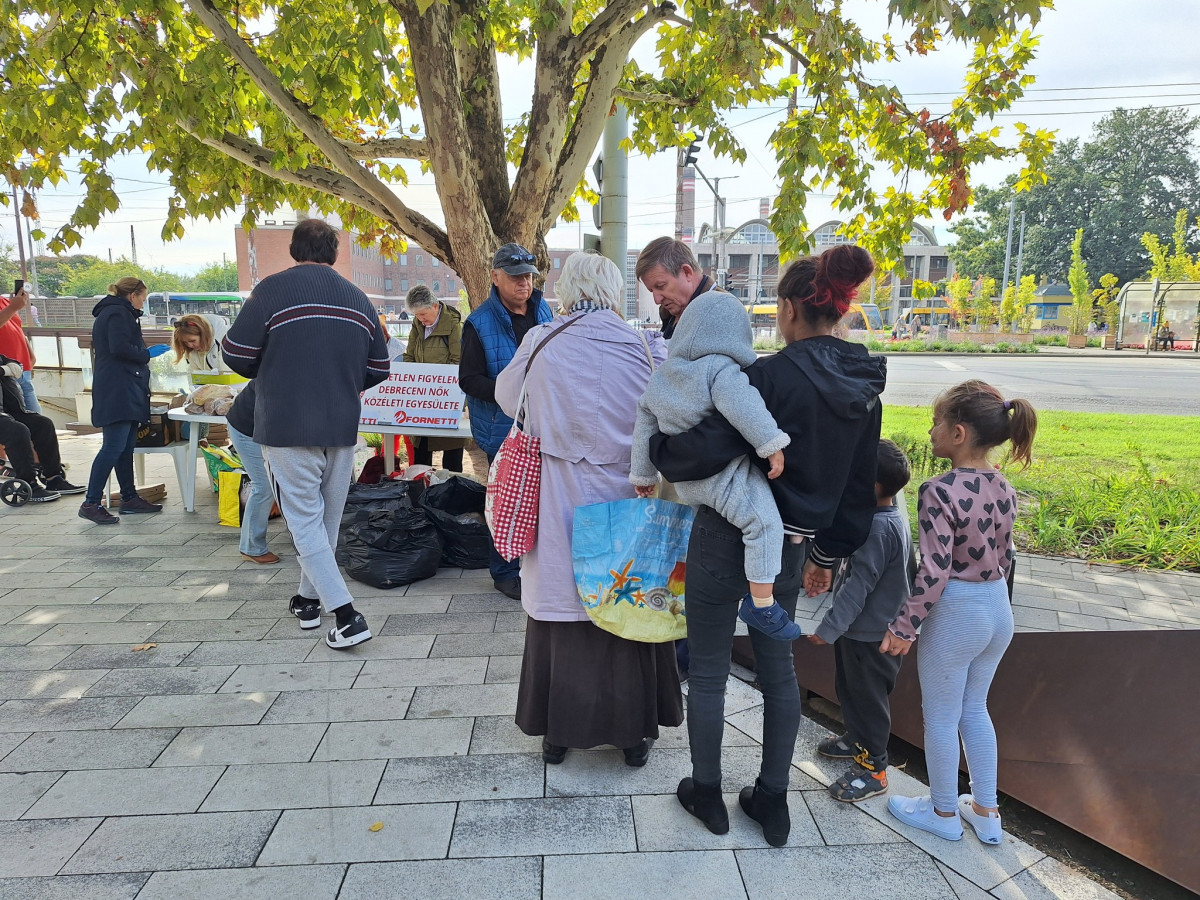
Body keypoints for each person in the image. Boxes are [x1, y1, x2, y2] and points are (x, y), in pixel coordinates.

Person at [648, 245, 885, 846]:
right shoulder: (865, 388)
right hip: (793, 549)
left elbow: (698, 452)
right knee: (780, 672)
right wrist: (827, 557)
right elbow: (859, 486)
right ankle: (772, 802)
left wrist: (656, 450)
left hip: (722, 535)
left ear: (787, 310)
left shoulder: (766, 379)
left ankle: (707, 794)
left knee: (708, 671)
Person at [494, 252, 682, 768]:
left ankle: (557, 733)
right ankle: (633, 736)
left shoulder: (542, 340)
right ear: (615, 291)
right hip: (629, 496)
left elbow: (508, 399)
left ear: (567, 291)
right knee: (629, 604)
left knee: (561, 610)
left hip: (559, 493)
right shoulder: (645, 346)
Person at [222, 218, 390, 650]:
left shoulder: (271, 290)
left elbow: (236, 354)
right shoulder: (358, 298)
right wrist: (340, 381)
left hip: (286, 422)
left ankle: (347, 616)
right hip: (342, 424)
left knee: (303, 522)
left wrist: (274, 368)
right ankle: (308, 601)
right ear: (334, 252)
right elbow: (379, 368)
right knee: (325, 521)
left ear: (294, 249)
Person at [883, 380, 1037, 846]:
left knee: (941, 718)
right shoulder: (1003, 485)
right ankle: (986, 812)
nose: (930, 431)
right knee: (975, 709)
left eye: (936, 423)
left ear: (959, 433)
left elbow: (934, 570)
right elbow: (1005, 557)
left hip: (957, 613)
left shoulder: (939, 490)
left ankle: (943, 812)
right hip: (997, 609)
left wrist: (904, 626)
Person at [629, 288, 798, 640]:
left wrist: (643, 475)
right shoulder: (718, 369)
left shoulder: (662, 376)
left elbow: (644, 422)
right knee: (763, 524)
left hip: (686, 484)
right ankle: (762, 604)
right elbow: (744, 405)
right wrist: (771, 443)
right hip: (723, 478)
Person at [808, 439, 913, 803]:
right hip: (860, 631)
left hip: (872, 636)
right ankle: (856, 741)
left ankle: (875, 770)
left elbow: (859, 586)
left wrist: (829, 628)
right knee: (850, 690)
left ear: (873, 486)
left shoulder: (878, 529)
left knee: (868, 701)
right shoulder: (885, 517)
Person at [459, 243, 554, 600]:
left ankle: (532, 566)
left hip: (542, 422)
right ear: (495, 277)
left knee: (539, 497)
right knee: (505, 501)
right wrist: (511, 391)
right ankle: (504, 572)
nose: (524, 283)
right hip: (500, 426)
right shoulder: (478, 322)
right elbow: (469, 379)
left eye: (528, 276)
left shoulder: (543, 309)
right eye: (516, 277)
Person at [77, 278, 163, 523]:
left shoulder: (118, 312)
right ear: (132, 295)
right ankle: (91, 502)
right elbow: (119, 348)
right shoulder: (117, 313)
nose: (143, 303)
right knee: (113, 447)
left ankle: (129, 497)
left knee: (125, 447)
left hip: (124, 387)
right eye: (142, 298)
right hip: (118, 390)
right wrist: (146, 354)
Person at [0, 353, 84, 501]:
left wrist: (7, 368)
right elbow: (10, 369)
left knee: (43, 424)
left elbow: (17, 367)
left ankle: (53, 478)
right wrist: (6, 370)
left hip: (9, 411)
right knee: (17, 431)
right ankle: (28, 484)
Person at [402, 284, 468, 472]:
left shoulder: (454, 326)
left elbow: (458, 361)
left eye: (423, 314)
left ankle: (451, 488)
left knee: (452, 457)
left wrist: (437, 385)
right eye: (416, 315)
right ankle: (421, 487)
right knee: (420, 456)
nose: (420, 319)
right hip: (421, 401)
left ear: (435, 306)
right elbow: (409, 355)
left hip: (447, 399)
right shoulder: (417, 325)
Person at [223, 381, 278, 565]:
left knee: (276, 483)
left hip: (263, 426)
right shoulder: (285, 372)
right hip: (247, 428)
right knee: (264, 486)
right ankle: (251, 548)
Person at [635, 236, 714, 340]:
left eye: (661, 286)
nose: (657, 300)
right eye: (651, 291)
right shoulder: (672, 311)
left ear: (687, 272)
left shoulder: (721, 312)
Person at [0, 282, 42, 414]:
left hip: (23, 370)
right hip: (5, 373)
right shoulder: (10, 305)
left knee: (37, 418)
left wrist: (31, 356)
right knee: (19, 419)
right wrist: (13, 308)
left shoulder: (4, 301)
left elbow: (17, 329)